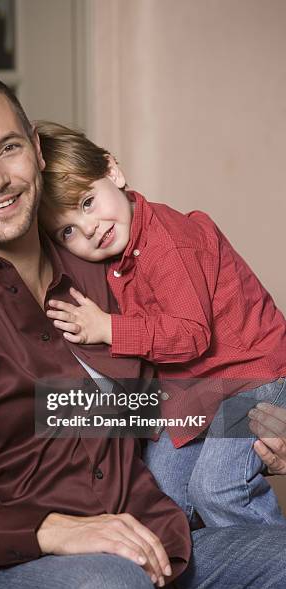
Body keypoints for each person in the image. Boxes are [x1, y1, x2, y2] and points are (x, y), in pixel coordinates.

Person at [0, 71, 286, 589]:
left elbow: (148, 410)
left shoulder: (104, 273)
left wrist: (257, 429)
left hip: (155, 547)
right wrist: (52, 530)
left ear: (37, 152)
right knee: (105, 587)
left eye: (8, 148)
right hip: (13, 573)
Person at [38, 121, 286, 528]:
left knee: (217, 489)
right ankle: (203, 584)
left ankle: (269, 578)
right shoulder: (116, 257)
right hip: (198, 395)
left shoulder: (167, 242)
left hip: (254, 376)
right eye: (68, 230)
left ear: (112, 171)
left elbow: (190, 334)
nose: (88, 228)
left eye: (86, 202)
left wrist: (107, 329)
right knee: (160, 500)